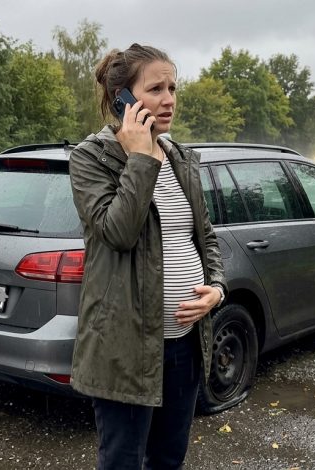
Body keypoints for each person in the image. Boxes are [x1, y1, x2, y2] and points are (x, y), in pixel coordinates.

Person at [68, 43, 228, 469]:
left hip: (185, 345)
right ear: (124, 98)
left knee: (169, 458)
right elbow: (117, 233)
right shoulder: (91, 158)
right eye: (155, 88)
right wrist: (139, 157)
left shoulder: (181, 157)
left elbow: (205, 237)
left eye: (173, 86)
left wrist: (216, 289)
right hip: (125, 350)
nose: (169, 98)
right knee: (122, 460)